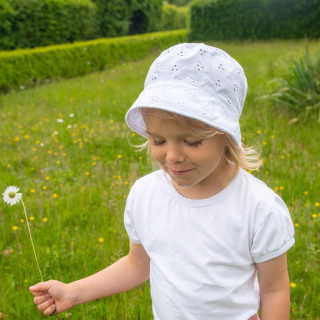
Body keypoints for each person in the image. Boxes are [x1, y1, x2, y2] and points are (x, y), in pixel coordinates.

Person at [30, 43, 295, 320]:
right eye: (158, 140)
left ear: (227, 136)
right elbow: (137, 265)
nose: (172, 156)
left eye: (191, 142)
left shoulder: (259, 207)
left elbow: (274, 290)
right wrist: (74, 292)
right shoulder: (145, 195)